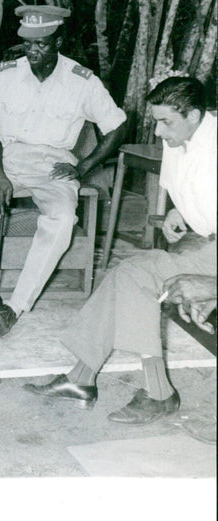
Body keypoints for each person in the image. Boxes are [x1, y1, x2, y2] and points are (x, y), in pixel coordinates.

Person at [25, 76, 216, 425]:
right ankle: (81, 380)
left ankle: (158, 394)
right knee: (125, 274)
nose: (158, 131)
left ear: (195, 115)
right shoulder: (179, 141)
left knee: (136, 277)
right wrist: (182, 212)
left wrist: (213, 288)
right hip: (205, 244)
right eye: (156, 121)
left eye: (166, 122)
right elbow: (192, 188)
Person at [0, 5, 127, 337]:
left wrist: (84, 166)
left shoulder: (82, 81)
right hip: (6, 158)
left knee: (60, 219)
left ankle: (16, 305)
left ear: (59, 41)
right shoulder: (7, 75)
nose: (33, 50)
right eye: (28, 43)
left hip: (53, 163)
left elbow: (117, 125)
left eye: (41, 43)